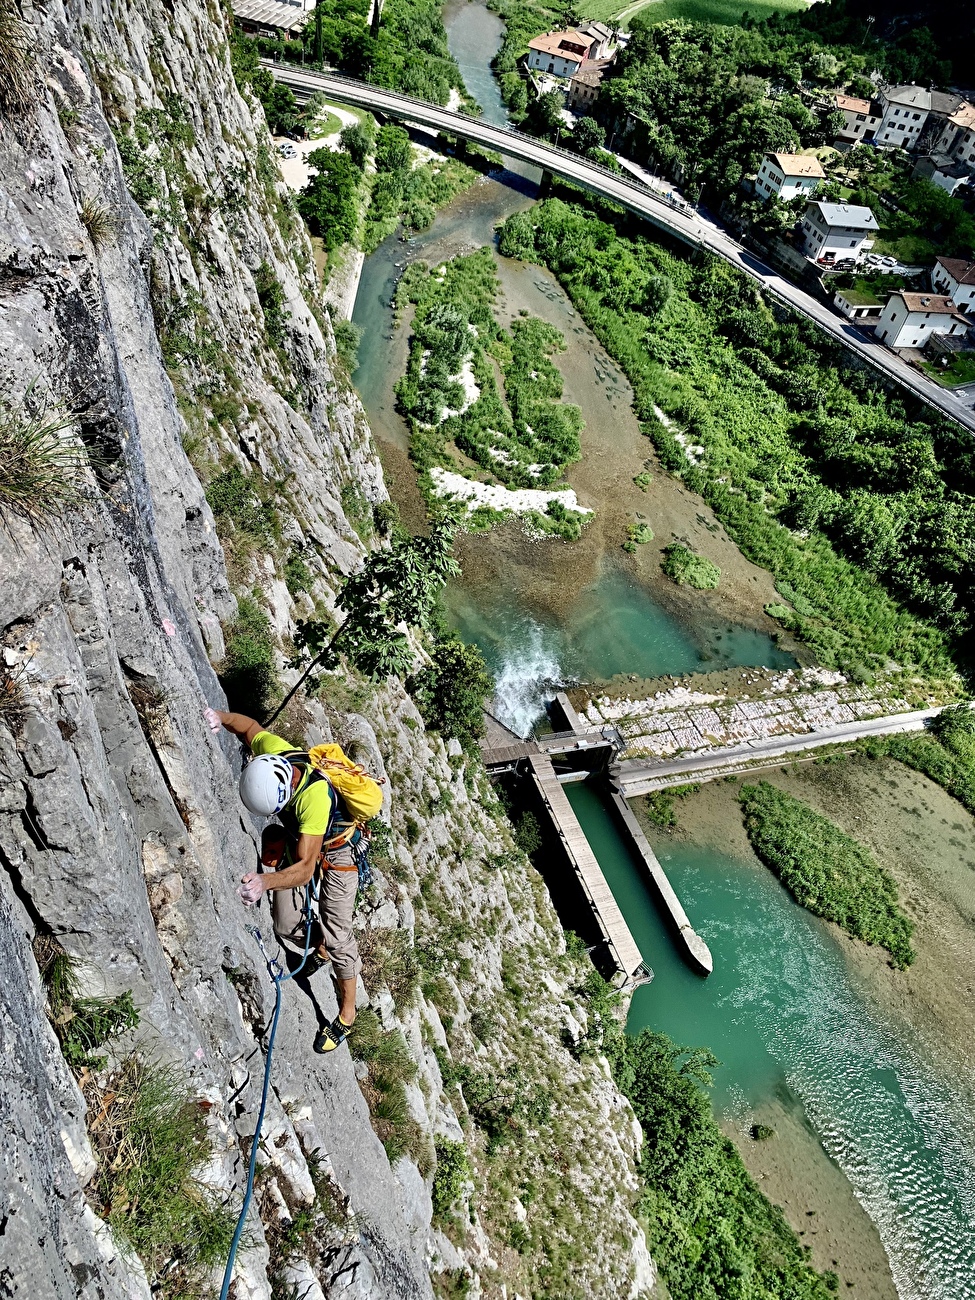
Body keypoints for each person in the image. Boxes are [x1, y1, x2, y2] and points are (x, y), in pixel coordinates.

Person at [209, 708, 369, 1052]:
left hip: (339, 853)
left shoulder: (314, 798)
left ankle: (347, 1014)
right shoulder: (277, 754)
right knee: (284, 925)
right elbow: (250, 727)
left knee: (339, 936)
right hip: (303, 840)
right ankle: (320, 947)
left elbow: (306, 869)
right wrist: (220, 717)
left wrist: (264, 882)